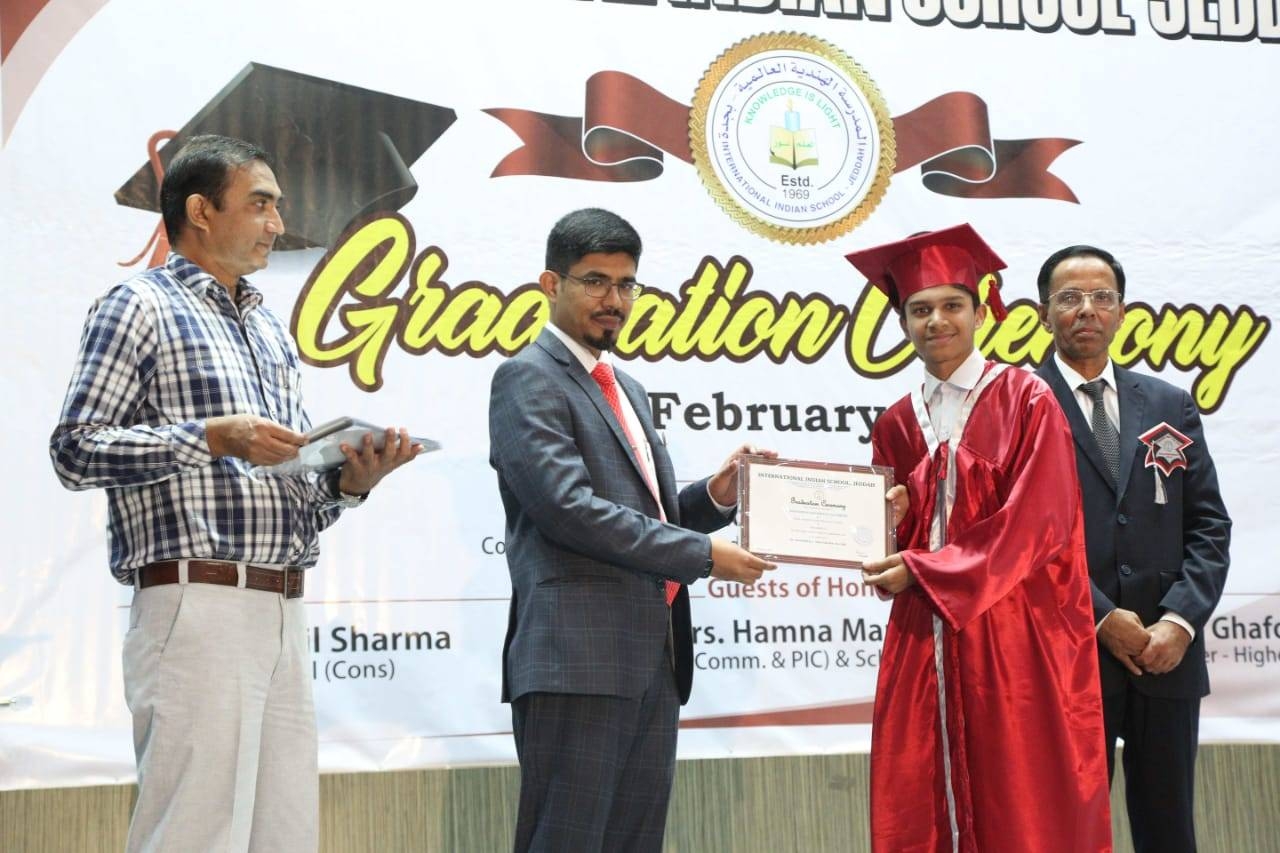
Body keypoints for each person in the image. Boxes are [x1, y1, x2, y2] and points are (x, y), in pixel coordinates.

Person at [49, 134, 420, 853]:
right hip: (196, 605)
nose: (279, 224)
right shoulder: (138, 305)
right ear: (199, 210)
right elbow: (73, 450)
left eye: (277, 207)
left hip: (281, 604)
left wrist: (347, 482)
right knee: (193, 831)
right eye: (261, 204)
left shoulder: (267, 328)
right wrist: (211, 438)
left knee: (283, 835)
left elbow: (291, 492)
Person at [488, 208, 776, 853]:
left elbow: (642, 512)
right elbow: (568, 509)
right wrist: (701, 553)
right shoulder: (526, 378)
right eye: (595, 281)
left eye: (626, 285)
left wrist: (712, 496)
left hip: (651, 657)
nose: (613, 301)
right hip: (578, 659)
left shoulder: (627, 387)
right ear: (549, 284)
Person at [846, 224, 1112, 853]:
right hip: (924, 642)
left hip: (1018, 637)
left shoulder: (1026, 398)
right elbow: (903, 538)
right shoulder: (896, 420)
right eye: (919, 309)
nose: (936, 321)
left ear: (977, 309)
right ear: (902, 319)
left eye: (951, 305)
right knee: (923, 798)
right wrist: (892, 523)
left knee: (1022, 801)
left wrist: (926, 568)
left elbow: (1037, 523)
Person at [1035, 245, 1230, 853]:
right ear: (1045, 315)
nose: (1086, 310)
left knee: (1170, 832)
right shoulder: (1018, 404)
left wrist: (1177, 622)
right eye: (1069, 298)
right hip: (1069, 658)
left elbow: (1209, 526)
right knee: (1070, 832)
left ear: (1122, 312)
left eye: (1102, 297)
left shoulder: (1169, 405)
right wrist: (1099, 617)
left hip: (1166, 657)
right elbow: (1021, 540)